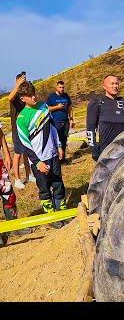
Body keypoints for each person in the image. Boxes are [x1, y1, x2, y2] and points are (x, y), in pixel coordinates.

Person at [16, 82, 66, 227]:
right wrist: (37, 162)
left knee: (58, 183)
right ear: (22, 98)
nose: (34, 97)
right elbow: (25, 144)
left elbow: (53, 127)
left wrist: (59, 145)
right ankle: (51, 217)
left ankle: (62, 212)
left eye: (34, 94)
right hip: (38, 160)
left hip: (52, 154)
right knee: (44, 188)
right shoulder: (21, 118)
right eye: (29, 96)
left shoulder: (43, 106)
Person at [86, 75, 124, 162]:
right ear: (104, 86)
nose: (115, 86)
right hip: (106, 152)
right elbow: (90, 128)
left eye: (117, 83)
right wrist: (93, 148)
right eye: (112, 84)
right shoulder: (97, 102)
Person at [7, 73, 33, 189]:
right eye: (22, 80)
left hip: (26, 127)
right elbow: (9, 98)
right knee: (18, 154)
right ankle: (17, 179)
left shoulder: (24, 94)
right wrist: (17, 85)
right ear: (17, 81)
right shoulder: (14, 94)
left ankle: (29, 174)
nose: (24, 82)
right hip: (16, 129)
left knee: (27, 152)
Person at [46, 80, 74, 164]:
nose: (62, 89)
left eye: (63, 87)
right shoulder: (52, 97)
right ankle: (56, 159)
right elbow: (47, 109)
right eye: (60, 87)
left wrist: (71, 118)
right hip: (55, 122)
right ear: (56, 87)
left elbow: (70, 107)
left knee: (64, 139)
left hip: (65, 121)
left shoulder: (66, 96)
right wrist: (57, 107)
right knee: (56, 140)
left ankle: (63, 158)